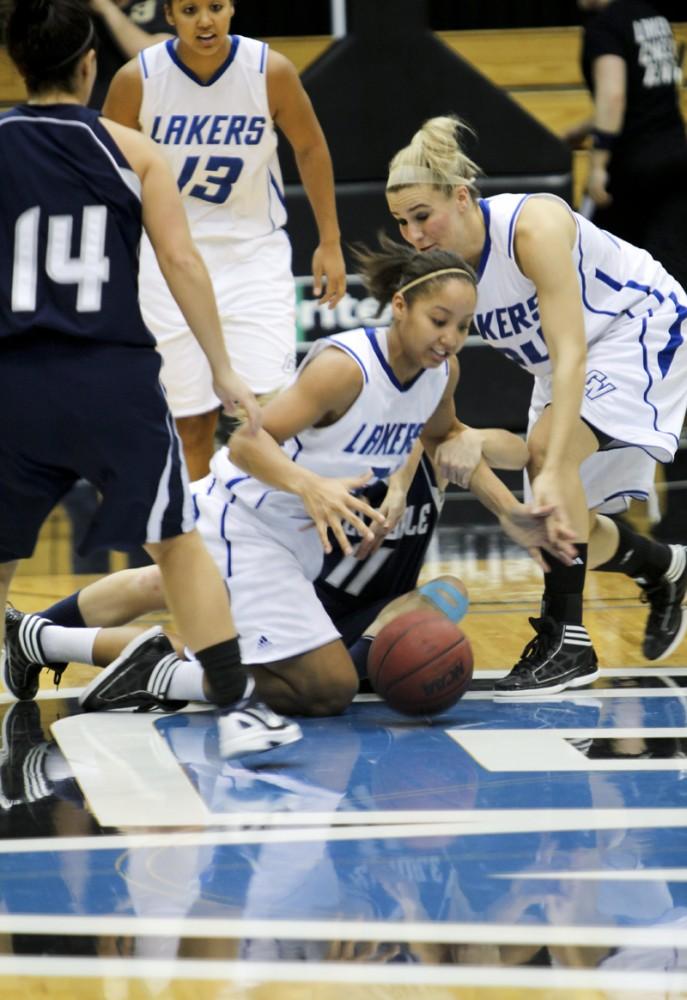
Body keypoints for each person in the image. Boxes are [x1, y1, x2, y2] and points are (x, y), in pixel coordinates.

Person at [11, 240, 574, 717]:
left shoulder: (440, 372)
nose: (450, 337)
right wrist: (312, 486)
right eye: (439, 320)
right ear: (400, 306)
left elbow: (447, 437)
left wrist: (510, 515)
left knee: (202, 619)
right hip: (248, 523)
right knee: (327, 689)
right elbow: (243, 445)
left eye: (463, 326)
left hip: (295, 540)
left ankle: (40, 638)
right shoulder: (344, 369)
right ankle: (159, 673)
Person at [0, 0, 302, 759]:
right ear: (89, 64)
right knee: (175, 540)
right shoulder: (133, 149)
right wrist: (224, 369)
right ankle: (235, 707)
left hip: (15, 377)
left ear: (17, 64)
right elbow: (181, 262)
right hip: (110, 373)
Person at [386, 114, 687, 698]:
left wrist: (550, 462)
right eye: (402, 223)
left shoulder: (533, 226)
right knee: (567, 529)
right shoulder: (438, 271)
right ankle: (663, 567)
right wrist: (400, 476)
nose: (414, 235)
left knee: (550, 459)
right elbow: (426, 369)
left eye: (423, 217)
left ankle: (567, 641)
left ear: (464, 197)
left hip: (636, 327)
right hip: (564, 363)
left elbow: (572, 348)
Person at [101, 0, 346, 479]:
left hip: (253, 254)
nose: (206, 21)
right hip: (166, 261)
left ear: (234, 7)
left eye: (215, 6)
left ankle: (264, 528)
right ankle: (200, 539)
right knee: (188, 423)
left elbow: (311, 146)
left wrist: (330, 241)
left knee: (269, 414)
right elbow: (106, 171)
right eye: (190, 10)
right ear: (168, 15)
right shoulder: (137, 79)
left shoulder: (268, 69)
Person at [565, 0, 687, 289]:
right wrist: (580, 129)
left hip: (632, 167)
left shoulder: (605, 26)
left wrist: (598, 164)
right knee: (671, 264)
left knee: (593, 259)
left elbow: (614, 96)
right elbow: (641, 97)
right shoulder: (652, 17)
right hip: (675, 157)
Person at [86, 0, 171, 111]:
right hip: (90, 110)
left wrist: (105, 6)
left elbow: (157, 57)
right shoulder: (76, 7)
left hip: (142, 111)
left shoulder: (161, 5)